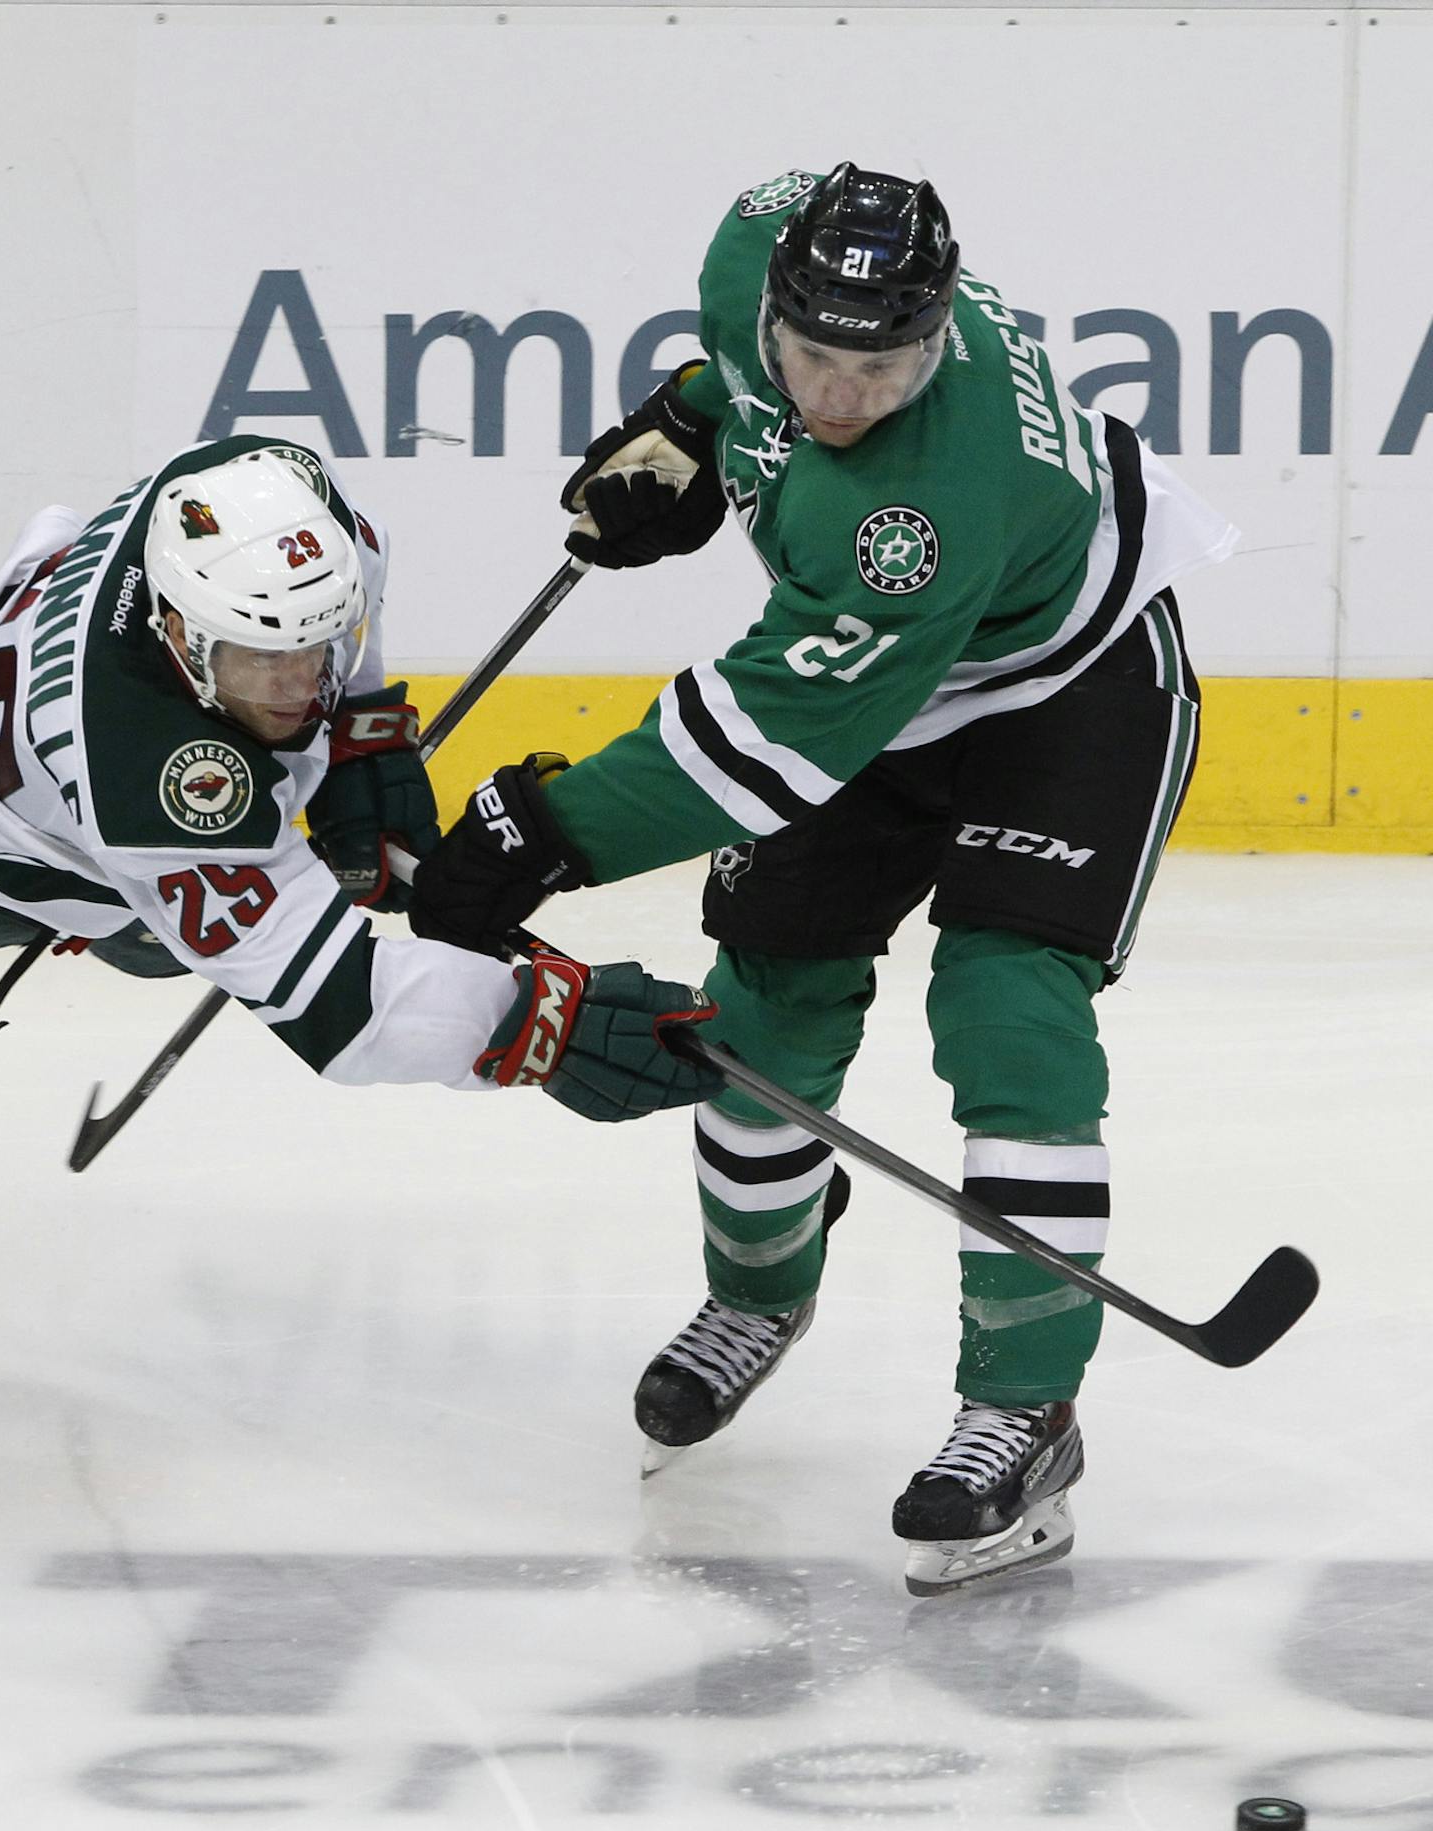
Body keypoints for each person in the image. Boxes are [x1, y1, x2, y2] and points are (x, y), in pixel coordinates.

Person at [408, 163, 1236, 1596]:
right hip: (885, 690)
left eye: (886, 367)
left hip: (1073, 692)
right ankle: (756, 1299)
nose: (845, 396)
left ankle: (1026, 1407)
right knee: (769, 999)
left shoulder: (917, 513)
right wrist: (692, 419)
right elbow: (735, 363)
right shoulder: (748, 252)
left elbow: (757, 749)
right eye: (815, 360)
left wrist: (545, 830)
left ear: (935, 340)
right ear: (776, 300)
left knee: (1009, 1009)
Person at [0, 433, 720, 1135]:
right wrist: (537, 1024)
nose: (297, 684)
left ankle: (122, 906)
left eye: (315, 651)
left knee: (167, 939)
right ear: (182, 636)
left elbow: (348, 598)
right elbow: (352, 1017)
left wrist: (361, 735)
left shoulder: (271, 500)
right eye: (261, 661)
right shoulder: (148, 782)